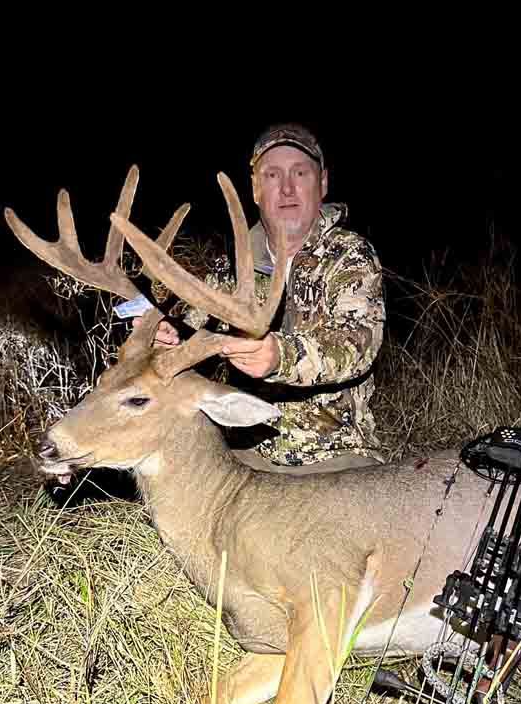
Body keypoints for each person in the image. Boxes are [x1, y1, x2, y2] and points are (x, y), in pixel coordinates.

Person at [138, 123, 386, 474]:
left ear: (323, 183)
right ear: (255, 189)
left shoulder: (350, 256)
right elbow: (193, 332)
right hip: (247, 453)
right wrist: (170, 338)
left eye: (300, 173)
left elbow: (356, 345)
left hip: (334, 455)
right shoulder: (232, 269)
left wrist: (280, 356)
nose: (286, 188)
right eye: (272, 175)